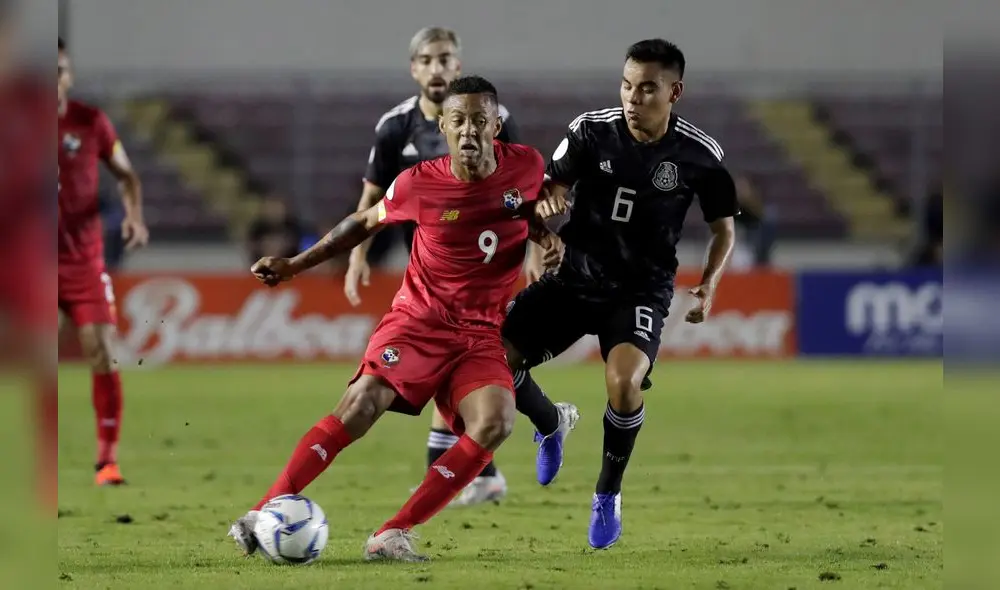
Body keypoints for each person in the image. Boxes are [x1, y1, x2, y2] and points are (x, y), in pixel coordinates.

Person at [230, 76, 559, 562]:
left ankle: (393, 533)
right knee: (361, 406)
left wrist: (546, 235)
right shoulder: (418, 182)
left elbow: (531, 207)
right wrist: (295, 264)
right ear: (443, 126)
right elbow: (362, 223)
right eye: (459, 121)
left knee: (495, 422)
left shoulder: (528, 165)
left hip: (480, 335)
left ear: (496, 125)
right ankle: (260, 513)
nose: (469, 130)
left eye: (479, 120)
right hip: (419, 322)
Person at [503, 39, 739, 549]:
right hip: (575, 276)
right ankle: (549, 422)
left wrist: (710, 283)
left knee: (625, 383)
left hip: (641, 289)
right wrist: (546, 218)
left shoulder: (701, 154)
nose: (634, 98)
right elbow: (547, 189)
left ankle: (607, 493)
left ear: (674, 91)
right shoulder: (591, 129)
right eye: (627, 85)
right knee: (496, 359)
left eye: (648, 88)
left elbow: (724, 229)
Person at [343, 26, 535, 507]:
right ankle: (475, 472)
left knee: (460, 363)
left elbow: (520, 190)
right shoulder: (395, 126)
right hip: (427, 266)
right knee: (447, 367)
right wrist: (357, 254)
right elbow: (372, 197)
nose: (437, 69)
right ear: (414, 68)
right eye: (427, 60)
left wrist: (534, 253)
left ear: (458, 64)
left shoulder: (494, 117)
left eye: (445, 59)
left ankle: (471, 469)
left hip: (484, 266)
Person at [58, 37, 149, 486]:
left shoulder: (90, 122)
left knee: (102, 352)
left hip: (82, 261)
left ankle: (106, 460)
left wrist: (133, 216)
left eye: (59, 70)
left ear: (68, 75)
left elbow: (127, 175)